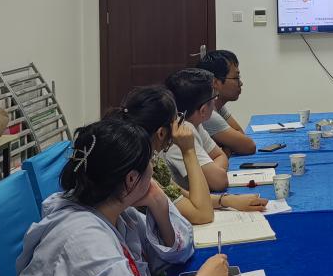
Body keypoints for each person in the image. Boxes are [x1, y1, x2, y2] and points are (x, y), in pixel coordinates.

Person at [0, 119, 229, 276]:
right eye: (150, 162)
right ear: (131, 179)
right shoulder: (80, 236)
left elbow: (176, 252)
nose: (153, 169)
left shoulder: (116, 211)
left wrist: (158, 202)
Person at [111, 86, 267, 224]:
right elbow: (202, 215)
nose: (181, 123)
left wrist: (228, 200)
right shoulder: (142, 169)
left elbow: (183, 195)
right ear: (161, 133)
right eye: (177, 119)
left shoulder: (153, 160)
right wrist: (188, 150)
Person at [163, 68, 231, 191]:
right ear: (203, 110)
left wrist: (213, 173)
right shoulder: (180, 132)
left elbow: (220, 155)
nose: (215, 101)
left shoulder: (194, 123)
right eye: (214, 97)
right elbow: (220, 181)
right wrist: (213, 174)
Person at [195, 50, 256, 156]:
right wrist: (229, 146)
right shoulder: (207, 113)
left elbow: (239, 132)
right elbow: (249, 146)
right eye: (236, 78)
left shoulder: (217, 104)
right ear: (215, 82)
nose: (241, 83)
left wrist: (227, 146)